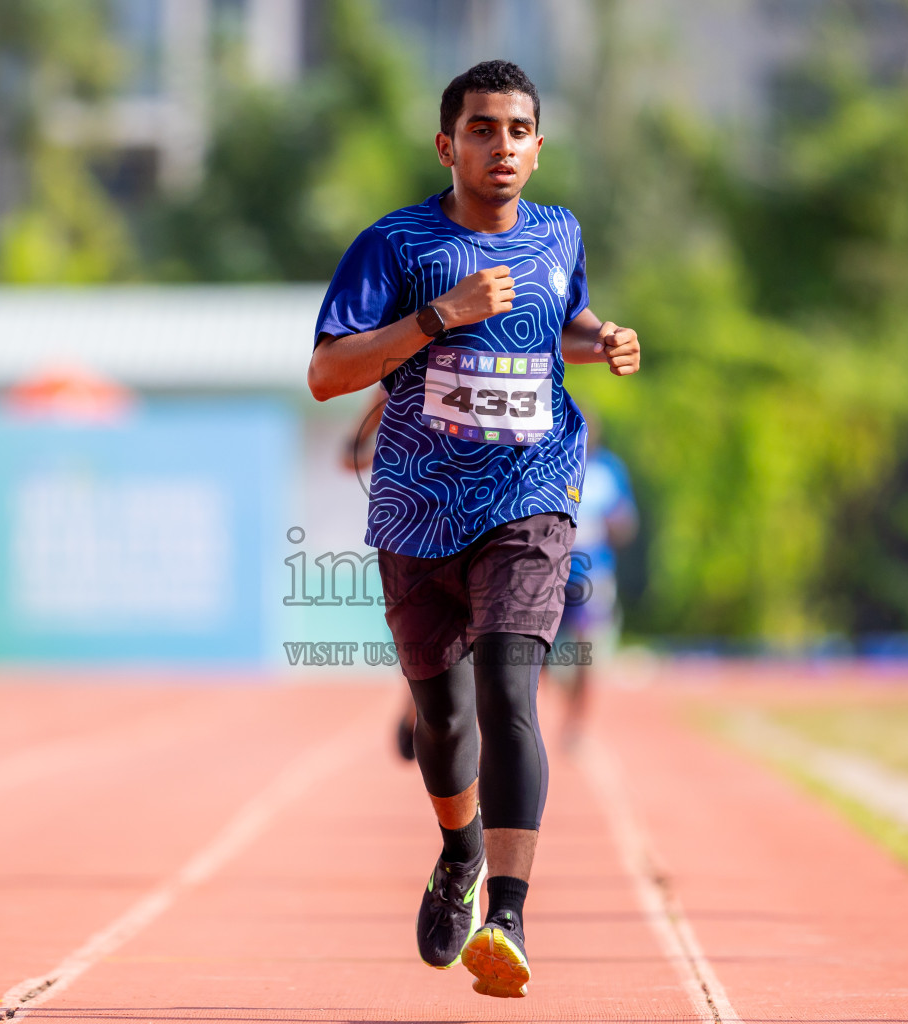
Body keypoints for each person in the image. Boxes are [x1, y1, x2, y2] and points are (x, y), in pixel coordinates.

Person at [307, 60, 641, 999]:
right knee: (443, 719)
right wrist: (436, 317)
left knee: (508, 688)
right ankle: (458, 851)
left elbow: (555, 328)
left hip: (532, 494)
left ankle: (507, 915)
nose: (503, 147)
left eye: (519, 131)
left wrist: (599, 340)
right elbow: (330, 373)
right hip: (418, 506)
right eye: (483, 130)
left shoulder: (561, 232)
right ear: (447, 145)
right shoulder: (394, 244)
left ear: (539, 148)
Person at [339, 388, 419, 762]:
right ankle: (418, 709)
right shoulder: (400, 380)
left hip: (480, 520)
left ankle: (423, 713)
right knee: (426, 644)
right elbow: (347, 458)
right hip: (412, 533)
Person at [554, 419, 638, 749]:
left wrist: (614, 524)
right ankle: (566, 700)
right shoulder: (555, 460)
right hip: (549, 567)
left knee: (586, 649)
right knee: (538, 656)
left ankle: (577, 724)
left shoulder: (610, 470)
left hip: (593, 570)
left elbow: (626, 521)